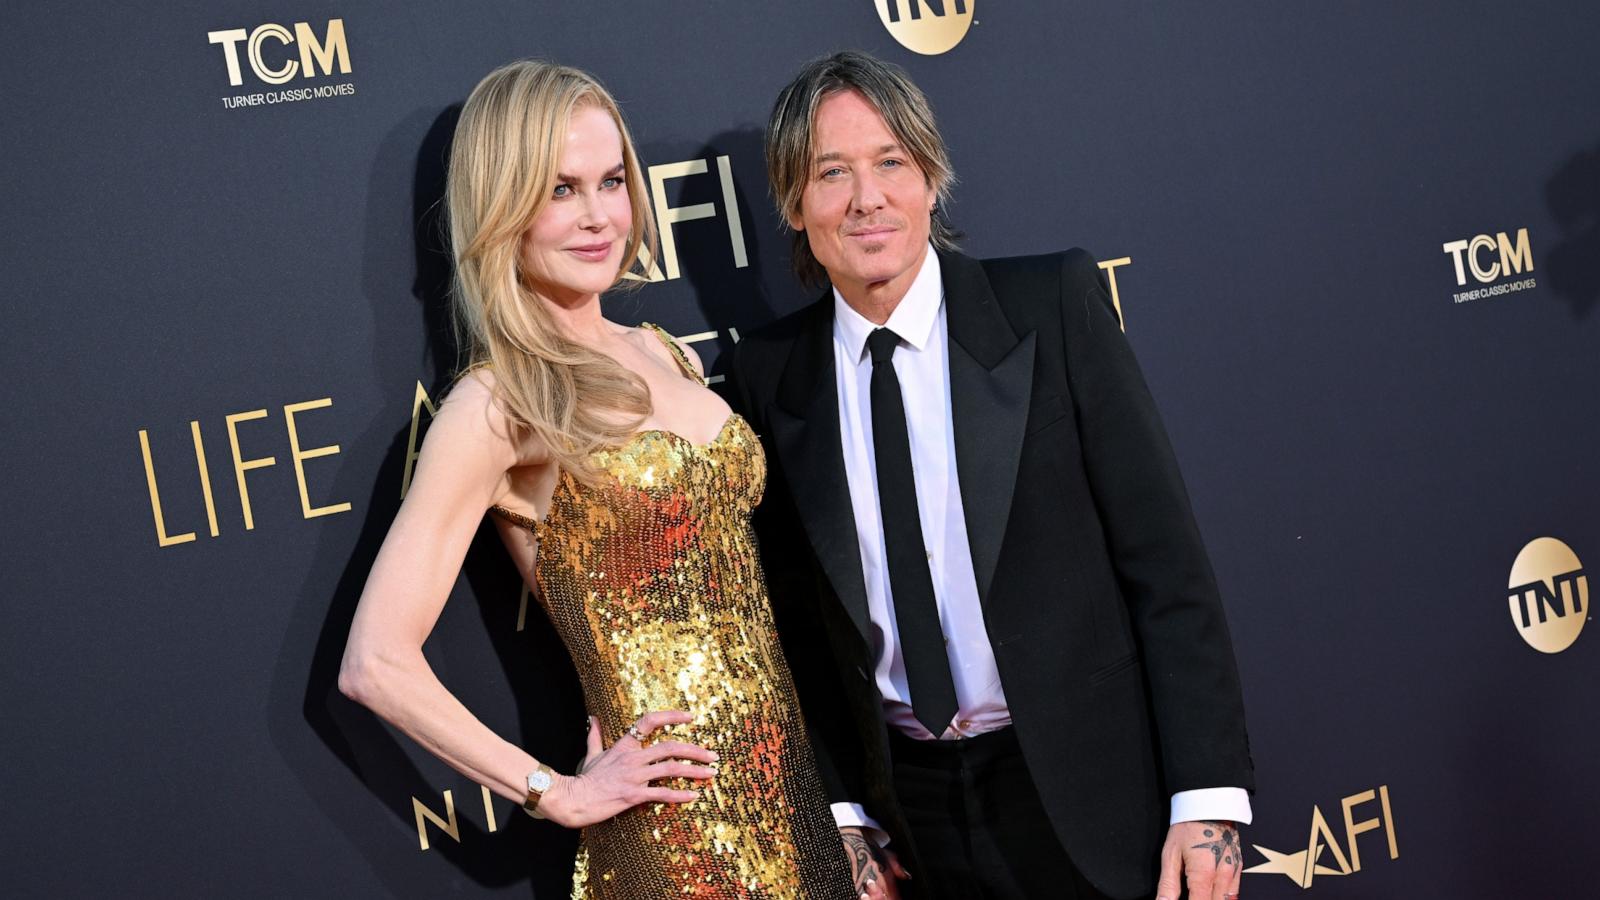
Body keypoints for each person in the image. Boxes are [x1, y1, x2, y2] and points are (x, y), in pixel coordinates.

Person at [726, 51, 1255, 900]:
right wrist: (847, 818)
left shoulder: (1049, 306)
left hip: (1094, 798)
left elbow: (1166, 565)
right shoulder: (769, 378)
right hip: (911, 825)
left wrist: (1209, 799)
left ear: (931, 180)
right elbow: (799, 632)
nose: (867, 198)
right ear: (795, 205)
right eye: (832, 173)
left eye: (891, 163)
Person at [338, 60, 861, 899]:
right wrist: (559, 792)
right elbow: (374, 662)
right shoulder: (498, 401)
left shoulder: (666, 350)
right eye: (559, 189)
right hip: (677, 836)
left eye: (611, 181)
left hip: (793, 802)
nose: (597, 217)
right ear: (502, 206)